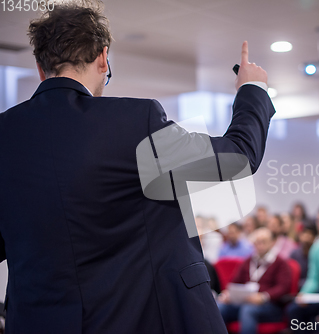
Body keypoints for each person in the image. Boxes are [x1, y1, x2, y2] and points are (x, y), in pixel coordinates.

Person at [0, 1, 275, 332]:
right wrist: (252, 90)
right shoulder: (134, 122)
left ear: (40, 67)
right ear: (103, 58)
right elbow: (238, 156)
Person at [217, 228, 292, 334]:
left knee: (248, 310)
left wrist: (264, 296)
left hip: (270, 305)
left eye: (263, 242)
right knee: (220, 307)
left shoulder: (280, 263)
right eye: (257, 242)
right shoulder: (248, 261)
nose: (259, 245)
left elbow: (283, 287)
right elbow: (234, 282)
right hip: (246, 301)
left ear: (271, 243)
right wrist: (229, 294)